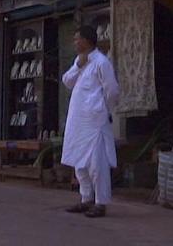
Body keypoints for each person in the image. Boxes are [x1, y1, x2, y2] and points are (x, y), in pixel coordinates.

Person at [61, 24, 120, 218]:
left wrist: (102, 109)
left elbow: (112, 90)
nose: (75, 42)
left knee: (97, 164)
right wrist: (78, 65)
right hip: (78, 120)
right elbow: (67, 81)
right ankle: (85, 198)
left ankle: (100, 202)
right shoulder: (80, 61)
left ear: (87, 40)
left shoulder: (102, 62)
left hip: (95, 121)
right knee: (80, 162)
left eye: (77, 39)